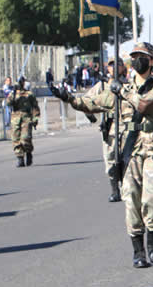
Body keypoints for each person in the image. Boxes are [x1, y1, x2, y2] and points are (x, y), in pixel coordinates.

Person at [51, 57, 129, 202]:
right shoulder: (103, 86)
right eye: (111, 65)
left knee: (127, 162)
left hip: (127, 129)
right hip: (110, 128)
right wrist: (68, 98)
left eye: (117, 65)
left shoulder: (130, 85)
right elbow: (88, 102)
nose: (114, 68)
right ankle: (115, 190)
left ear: (123, 67)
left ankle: (127, 187)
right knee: (110, 162)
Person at [6, 76, 40, 167]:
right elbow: (8, 103)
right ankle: (20, 158)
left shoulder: (29, 94)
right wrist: (13, 93)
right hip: (15, 119)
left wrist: (35, 118)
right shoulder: (13, 94)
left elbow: (35, 107)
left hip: (26, 119)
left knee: (25, 138)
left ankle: (28, 153)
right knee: (15, 139)